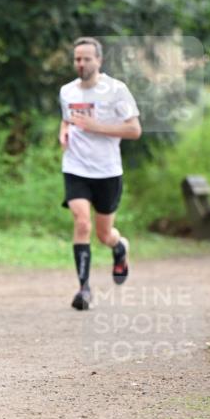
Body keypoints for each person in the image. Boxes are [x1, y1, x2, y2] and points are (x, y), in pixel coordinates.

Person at [59, 37, 141, 310]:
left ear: (99, 61)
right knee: (82, 223)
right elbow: (68, 117)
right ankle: (83, 289)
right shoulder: (67, 91)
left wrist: (96, 126)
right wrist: (64, 130)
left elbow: (134, 130)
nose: (80, 64)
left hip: (107, 171)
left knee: (104, 234)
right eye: (77, 59)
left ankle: (119, 248)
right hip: (76, 167)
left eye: (86, 59)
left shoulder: (116, 90)